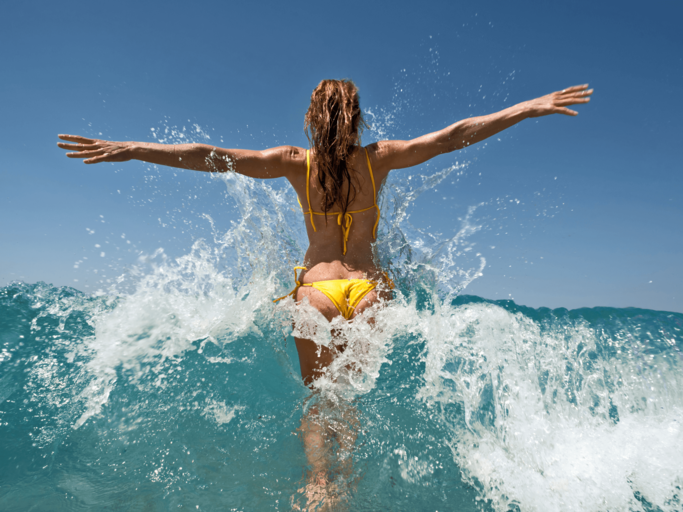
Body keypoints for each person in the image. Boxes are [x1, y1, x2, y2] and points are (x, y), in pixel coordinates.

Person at [58, 79, 592, 506]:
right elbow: (454, 136)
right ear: (357, 118)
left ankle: (319, 488)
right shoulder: (378, 157)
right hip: (367, 291)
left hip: (314, 291)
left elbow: (210, 155)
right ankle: (350, 483)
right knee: (349, 398)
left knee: (320, 401)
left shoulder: (294, 161)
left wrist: (130, 149)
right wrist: (526, 108)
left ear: (311, 119)